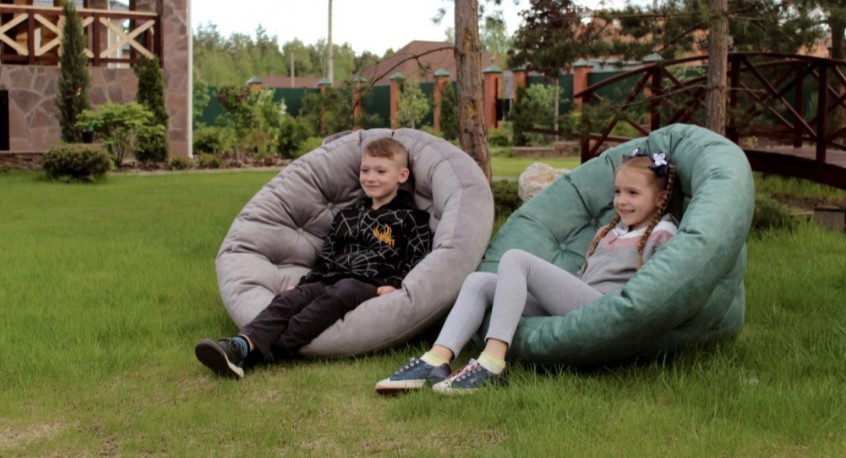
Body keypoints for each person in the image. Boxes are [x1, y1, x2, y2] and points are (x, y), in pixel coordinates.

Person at [375, 148, 678, 395]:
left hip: (605, 309)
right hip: (579, 302)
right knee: (480, 281)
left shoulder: (663, 233)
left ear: (660, 198)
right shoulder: (610, 230)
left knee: (516, 259)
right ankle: (436, 360)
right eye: (618, 192)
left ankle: (493, 363)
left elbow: (658, 284)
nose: (622, 201)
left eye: (633, 193)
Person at [196, 137, 432, 379]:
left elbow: (419, 258)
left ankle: (268, 352)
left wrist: (395, 284)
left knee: (341, 292)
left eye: (381, 171)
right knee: (289, 299)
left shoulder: (411, 218)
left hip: (370, 282)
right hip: (332, 276)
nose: (371, 178)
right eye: (365, 170)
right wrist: (305, 283)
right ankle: (239, 345)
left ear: (402, 176)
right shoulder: (347, 216)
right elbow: (327, 256)